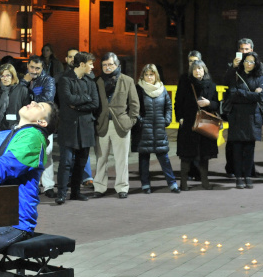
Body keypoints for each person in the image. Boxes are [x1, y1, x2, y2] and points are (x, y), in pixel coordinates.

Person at [0, 100, 58, 257]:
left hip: (14, 221)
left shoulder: (34, 137)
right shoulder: (1, 135)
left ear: (42, 122)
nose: (32, 102)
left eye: (40, 106)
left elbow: (2, 167)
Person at [93, 53, 139, 199]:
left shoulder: (128, 80)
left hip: (121, 125)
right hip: (102, 125)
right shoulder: (97, 81)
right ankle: (99, 187)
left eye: (110, 65)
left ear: (117, 65)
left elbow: (134, 105)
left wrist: (130, 122)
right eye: (104, 65)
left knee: (122, 159)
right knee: (100, 158)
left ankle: (122, 187)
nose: (107, 67)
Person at [55, 52, 99, 204]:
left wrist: (78, 106)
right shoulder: (65, 80)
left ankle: (75, 192)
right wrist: (85, 100)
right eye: (91, 64)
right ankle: (61, 193)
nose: (93, 67)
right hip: (68, 127)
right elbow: (67, 99)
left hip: (86, 127)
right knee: (66, 162)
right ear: (82, 64)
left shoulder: (90, 81)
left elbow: (95, 103)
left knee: (81, 162)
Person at [134, 64, 180, 194]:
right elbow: (134, 106)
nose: (149, 77)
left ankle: (172, 184)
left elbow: (168, 106)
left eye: (151, 74)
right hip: (144, 130)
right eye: (146, 75)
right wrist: (141, 121)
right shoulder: (139, 89)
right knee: (144, 160)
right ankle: (145, 184)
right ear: (143, 76)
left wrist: (167, 120)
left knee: (164, 158)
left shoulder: (162, 89)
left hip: (159, 129)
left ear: (156, 75)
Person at [174, 59, 219, 190]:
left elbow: (217, 104)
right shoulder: (185, 84)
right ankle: (183, 183)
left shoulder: (211, 85)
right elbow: (178, 102)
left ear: (204, 70)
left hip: (205, 124)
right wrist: (180, 118)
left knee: (204, 155)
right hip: (188, 124)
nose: (197, 71)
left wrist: (209, 103)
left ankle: (205, 182)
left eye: (199, 68)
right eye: (194, 69)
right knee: (186, 155)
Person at [225, 52, 263, 189]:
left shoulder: (260, 77)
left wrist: (242, 93)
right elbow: (232, 94)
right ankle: (238, 178)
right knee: (236, 149)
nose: (248, 64)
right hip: (237, 116)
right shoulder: (236, 75)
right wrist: (251, 94)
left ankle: (248, 176)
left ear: (256, 64)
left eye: (251, 62)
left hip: (252, 117)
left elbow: (260, 97)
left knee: (249, 149)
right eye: (246, 61)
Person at [20, 56, 57, 198]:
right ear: (27, 66)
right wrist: (24, 83)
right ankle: (33, 184)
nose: (34, 70)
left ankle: (48, 185)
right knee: (30, 152)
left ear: (42, 68)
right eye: (32, 67)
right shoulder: (23, 80)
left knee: (46, 152)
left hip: (43, 119)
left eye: (38, 68)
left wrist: (31, 99)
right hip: (28, 119)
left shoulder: (48, 80)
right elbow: (19, 96)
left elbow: (47, 99)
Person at [223, 39, 255, 177]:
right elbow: (226, 82)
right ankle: (231, 169)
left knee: (249, 140)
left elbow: (259, 84)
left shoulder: (257, 65)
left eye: (247, 49)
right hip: (235, 108)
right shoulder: (232, 65)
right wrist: (233, 68)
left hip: (250, 108)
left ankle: (249, 170)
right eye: (241, 49)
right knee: (233, 141)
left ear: (252, 50)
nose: (244, 52)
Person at [0, 63, 32, 132]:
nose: (5, 78)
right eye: (2, 76)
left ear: (13, 75)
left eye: (8, 75)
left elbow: (27, 111)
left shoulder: (22, 90)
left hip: (17, 129)